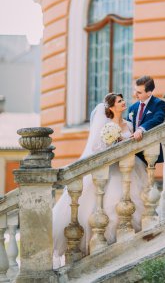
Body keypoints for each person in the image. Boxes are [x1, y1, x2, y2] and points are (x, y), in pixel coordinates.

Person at [53, 93, 147, 267]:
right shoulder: (106, 126)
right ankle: (107, 243)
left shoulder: (129, 124)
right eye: (120, 101)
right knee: (111, 199)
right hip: (111, 170)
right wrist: (113, 143)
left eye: (122, 100)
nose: (123, 102)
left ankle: (127, 240)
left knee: (131, 198)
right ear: (111, 107)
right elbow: (97, 149)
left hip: (129, 168)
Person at [127, 76, 165, 164]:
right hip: (132, 150)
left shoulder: (159, 104)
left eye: (139, 92)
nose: (135, 94)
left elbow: (158, 119)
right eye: (135, 90)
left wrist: (141, 129)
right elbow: (128, 125)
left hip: (148, 149)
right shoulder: (132, 108)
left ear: (149, 93)